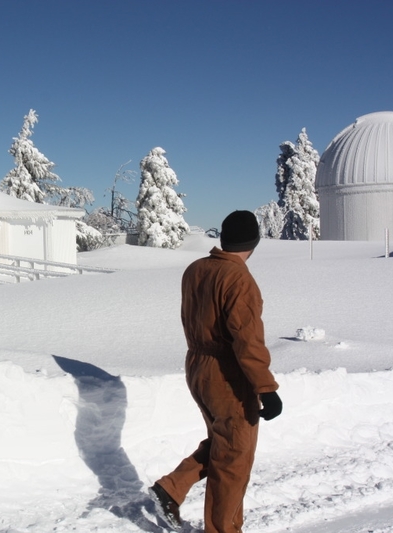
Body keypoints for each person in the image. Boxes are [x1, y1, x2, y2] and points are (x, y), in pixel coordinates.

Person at [149, 210, 282, 533]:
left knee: (224, 442)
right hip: (227, 375)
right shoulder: (239, 279)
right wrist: (266, 387)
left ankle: (171, 488)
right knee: (234, 458)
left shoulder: (196, 269)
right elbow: (247, 339)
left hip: (197, 366)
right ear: (253, 242)